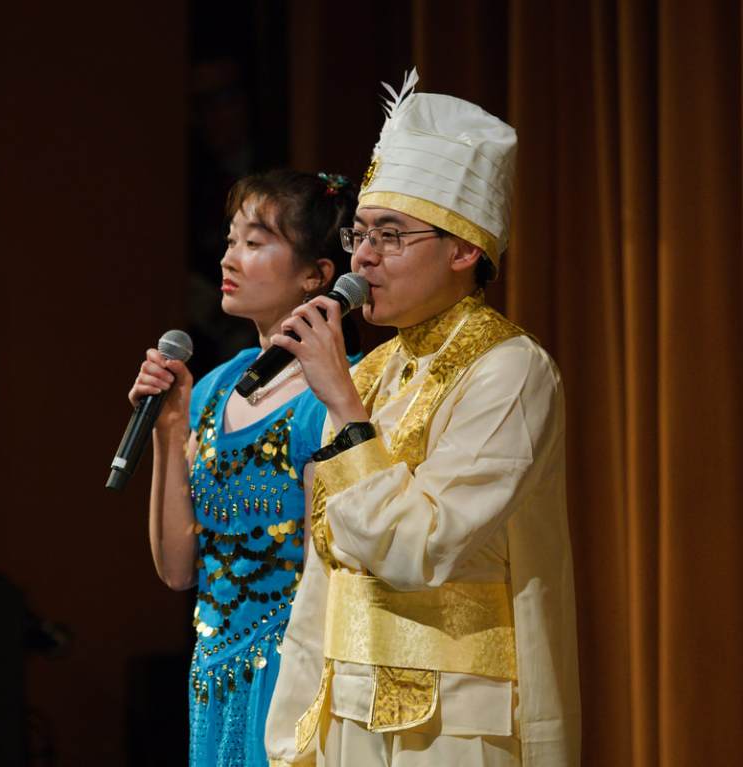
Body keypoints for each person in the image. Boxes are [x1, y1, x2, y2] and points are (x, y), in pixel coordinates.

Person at [264, 70, 581, 766]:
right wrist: (292, 730)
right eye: (359, 233)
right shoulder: (371, 372)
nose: (363, 255)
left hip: (457, 721)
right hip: (345, 711)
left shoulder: (509, 368)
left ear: (464, 249)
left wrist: (346, 413)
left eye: (391, 235)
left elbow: (418, 547)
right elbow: (325, 573)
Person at [128, 170, 360, 767]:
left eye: (255, 243)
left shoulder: (336, 394)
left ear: (316, 275)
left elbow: (332, 575)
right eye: (231, 240)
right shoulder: (211, 388)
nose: (230, 258)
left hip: (296, 676)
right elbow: (178, 569)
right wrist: (168, 430)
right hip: (213, 677)